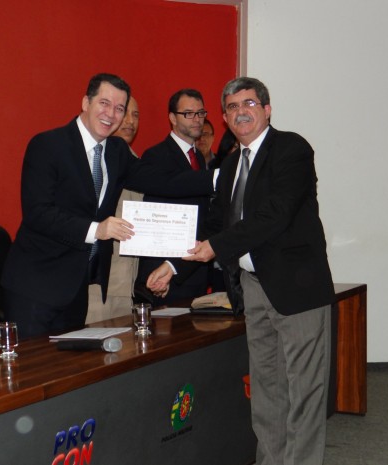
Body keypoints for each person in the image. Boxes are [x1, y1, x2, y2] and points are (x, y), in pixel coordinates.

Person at [147, 77, 334, 465]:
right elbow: (216, 225)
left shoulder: (292, 149)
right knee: (266, 389)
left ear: (267, 109)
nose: (240, 112)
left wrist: (216, 246)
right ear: (225, 118)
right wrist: (172, 264)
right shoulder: (230, 164)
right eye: (232, 107)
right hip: (252, 287)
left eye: (248, 103)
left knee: (304, 392)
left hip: (298, 288)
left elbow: (275, 215)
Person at [1, 74, 214, 339]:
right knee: (33, 363)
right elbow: (38, 213)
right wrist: (97, 230)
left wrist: (217, 179)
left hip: (78, 290)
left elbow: (161, 180)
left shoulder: (116, 151)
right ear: (85, 103)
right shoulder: (48, 145)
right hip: (36, 285)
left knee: (74, 364)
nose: (111, 114)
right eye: (104, 103)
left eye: (119, 108)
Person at [134, 89, 212, 306]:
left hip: (194, 266)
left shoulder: (198, 157)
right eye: (188, 113)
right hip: (166, 275)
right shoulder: (156, 156)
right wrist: (161, 272)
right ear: (172, 118)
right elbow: (153, 219)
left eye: (201, 113)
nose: (197, 119)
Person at [86, 96, 143, 323]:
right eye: (124, 112)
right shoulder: (94, 160)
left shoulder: (136, 161)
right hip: (97, 282)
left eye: (135, 115)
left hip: (126, 281)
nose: (130, 121)